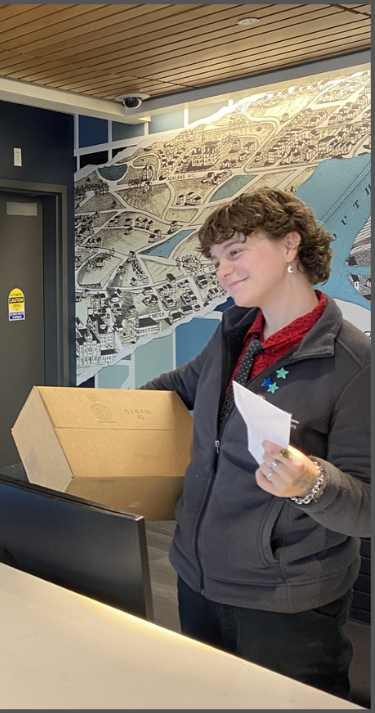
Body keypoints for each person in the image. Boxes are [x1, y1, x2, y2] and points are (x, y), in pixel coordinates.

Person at [142, 187, 370, 699]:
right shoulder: (233, 338)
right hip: (196, 576)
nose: (223, 270)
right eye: (217, 259)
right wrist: (93, 418)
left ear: (291, 246)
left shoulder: (356, 366)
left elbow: (367, 506)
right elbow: (172, 391)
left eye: (236, 251)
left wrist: (311, 484)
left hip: (285, 603)